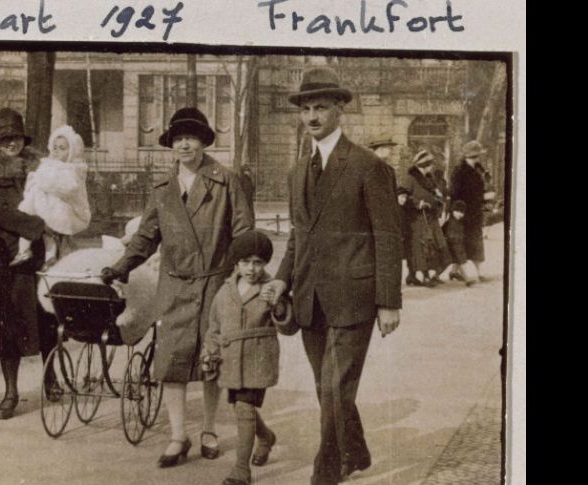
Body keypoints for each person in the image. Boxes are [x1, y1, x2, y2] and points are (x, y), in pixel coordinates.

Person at [260, 67, 402, 485]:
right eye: (306, 109)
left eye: (321, 107)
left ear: (340, 109)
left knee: (335, 388)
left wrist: (389, 300)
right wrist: (281, 279)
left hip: (352, 298)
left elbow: (388, 236)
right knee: (330, 389)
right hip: (309, 298)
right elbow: (298, 237)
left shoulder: (367, 166)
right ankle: (355, 452)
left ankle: (325, 471)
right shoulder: (297, 170)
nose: (312, 117)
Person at [100, 107, 254, 468]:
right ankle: (178, 435)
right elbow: (145, 237)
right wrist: (121, 266)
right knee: (171, 361)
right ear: (171, 145)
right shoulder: (161, 187)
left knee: (211, 359)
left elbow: (244, 232)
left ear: (203, 142)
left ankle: (209, 429)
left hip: (214, 283)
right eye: (178, 138)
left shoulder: (226, 181)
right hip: (173, 285)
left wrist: (245, 276)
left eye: (192, 137)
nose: (185, 144)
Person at [0, 108, 61, 421]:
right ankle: (11, 391)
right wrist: (40, 226)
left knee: (47, 319)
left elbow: (58, 199)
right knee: (7, 324)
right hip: (5, 260)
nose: (12, 143)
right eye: (6, 138)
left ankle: (51, 379)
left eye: (16, 137)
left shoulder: (39, 169)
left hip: (39, 257)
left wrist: (55, 226)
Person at [201, 231, 292, 485]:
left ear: (265, 264)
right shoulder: (225, 291)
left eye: (258, 262)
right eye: (246, 262)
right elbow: (214, 327)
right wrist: (210, 352)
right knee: (241, 408)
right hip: (230, 361)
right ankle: (266, 437)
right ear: (236, 263)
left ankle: (241, 470)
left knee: (243, 408)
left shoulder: (270, 288)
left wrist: (278, 305)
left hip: (257, 359)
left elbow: (286, 322)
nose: (252, 269)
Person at [11, 125, 91, 268]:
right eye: (54, 147)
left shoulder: (72, 169)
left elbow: (69, 187)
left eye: (62, 148)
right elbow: (37, 178)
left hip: (62, 210)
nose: (56, 151)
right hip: (42, 206)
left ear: (71, 151)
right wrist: (36, 180)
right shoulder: (48, 164)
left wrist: (43, 182)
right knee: (35, 224)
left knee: (49, 230)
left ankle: (49, 256)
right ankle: (25, 251)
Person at [403, 150, 453, 287]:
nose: (431, 167)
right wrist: (418, 203)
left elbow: (437, 194)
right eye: (429, 164)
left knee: (438, 244)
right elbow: (403, 197)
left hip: (431, 217)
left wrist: (438, 200)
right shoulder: (411, 178)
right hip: (417, 218)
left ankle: (432, 274)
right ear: (424, 165)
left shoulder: (429, 178)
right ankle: (420, 276)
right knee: (422, 247)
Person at [450, 141, 495, 281]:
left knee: (469, 242)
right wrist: (483, 197)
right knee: (470, 242)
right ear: (474, 156)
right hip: (464, 212)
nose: (479, 158)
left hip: (473, 212)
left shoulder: (477, 169)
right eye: (478, 155)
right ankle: (479, 273)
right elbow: (455, 193)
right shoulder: (460, 171)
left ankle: (454, 271)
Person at [443, 200, 474, 285]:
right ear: (453, 211)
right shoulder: (450, 222)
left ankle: (453, 273)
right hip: (452, 245)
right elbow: (449, 234)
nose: (460, 214)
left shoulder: (459, 222)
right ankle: (467, 278)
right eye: (457, 211)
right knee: (460, 260)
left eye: (462, 212)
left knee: (459, 259)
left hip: (457, 245)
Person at [396, 186, 420, 286]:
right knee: (396, 260)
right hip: (397, 238)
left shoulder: (406, 208)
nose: (403, 199)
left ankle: (412, 276)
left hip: (407, 236)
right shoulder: (393, 209)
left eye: (405, 197)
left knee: (411, 256)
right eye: (401, 197)